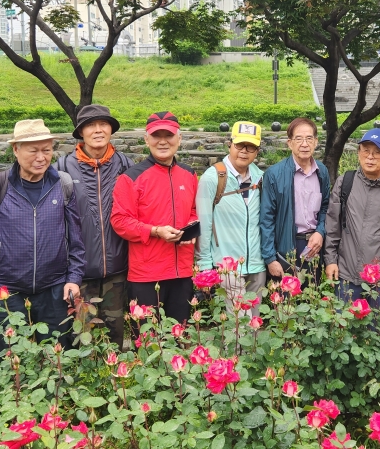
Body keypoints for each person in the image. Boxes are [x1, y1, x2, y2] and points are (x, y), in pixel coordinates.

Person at [0, 119, 85, 342]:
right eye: (33, 151)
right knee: (7, 354)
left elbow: (75, 239)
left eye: (47, 150)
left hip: (54, 287)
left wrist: (74, 278)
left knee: (57, 353)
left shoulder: (63, 184)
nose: (41, 157)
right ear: (16, 149)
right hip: (7, 289)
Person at [54, 104, 133, 348]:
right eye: (90, 125)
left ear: (111, 129)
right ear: (81, 132)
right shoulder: (62, 169)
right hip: (79, 272)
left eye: (103, 124)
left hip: (118, 270)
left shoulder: (126, 165)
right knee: (82, 337)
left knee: (114, 336)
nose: (98, 130)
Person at [111, 112, 198, 323]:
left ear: (179, 138)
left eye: (168, 135)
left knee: (180, 335)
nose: (162, 141)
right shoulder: (131, 177)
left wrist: (192, 226)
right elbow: (120, 221)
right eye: (156, 135)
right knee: (147, 337)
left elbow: (194, 210)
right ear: (146, 139)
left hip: (182, 271)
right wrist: (155, 231)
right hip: (146, 274)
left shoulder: (189, 174)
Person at [324, 129, 380, 307]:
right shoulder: (345, 182)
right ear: (359, 153)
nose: (370, 157)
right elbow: (333, 225)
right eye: (366, 151)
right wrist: (330, 260)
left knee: (377, 324)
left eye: (377, 152)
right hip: (346, 273)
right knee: (344, 322)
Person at [195, 122, 266, 316]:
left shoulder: (260, 178)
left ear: (257, 151)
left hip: (256, 264)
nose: (244, 151)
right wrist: (204, 264)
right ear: (230, 144)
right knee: (239, 324)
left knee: (254, 322)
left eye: (250, 147)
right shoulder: (213, 177)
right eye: (239, 145)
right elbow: (204, 223)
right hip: (228, 265)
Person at [259, 117, 330, 285]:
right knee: (286, 299)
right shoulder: (274, 174)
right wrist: (270, 258)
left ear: (316, 142)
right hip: (286, 247)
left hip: (314, 245)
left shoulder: (322, 171)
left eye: (309, 139)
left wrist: (320, 232)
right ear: (290, 143)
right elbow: (267, 218)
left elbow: (326, 207)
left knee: (313, 297)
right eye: (299, 139)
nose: (304, 144)